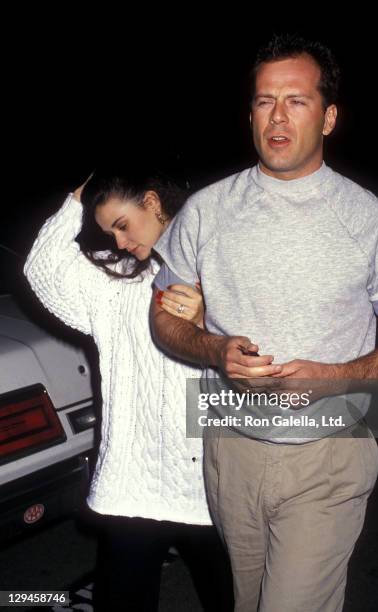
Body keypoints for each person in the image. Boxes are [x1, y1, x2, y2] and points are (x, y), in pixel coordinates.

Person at [150, 34, 378, 611]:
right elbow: (163, 322)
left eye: (296, 101)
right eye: (264, 101)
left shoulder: (372, 222)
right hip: (230, 446)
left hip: (330, 451)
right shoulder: (204, 211)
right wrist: (213, 349)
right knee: (248, 600)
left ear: (328, 117)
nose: (277, 116)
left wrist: (335, 377)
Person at [24, 168, 234, 611]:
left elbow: (265, 359)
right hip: (133, 484)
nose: (118, 242)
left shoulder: (221, 265)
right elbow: (41, 268)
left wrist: (208, 322)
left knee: (235, 599)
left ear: (155, 203)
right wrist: (77, 197)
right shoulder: (115, 287)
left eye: (122, 224)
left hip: (209, 482)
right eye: (108, 232)